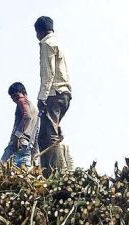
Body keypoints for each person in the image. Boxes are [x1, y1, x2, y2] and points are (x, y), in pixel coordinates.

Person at [34, 16, 72, 175]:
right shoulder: (59, 43)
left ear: (39, 31)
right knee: (44, 135)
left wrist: (42, 97)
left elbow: (48, 73)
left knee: (49, 136)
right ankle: (48, 169)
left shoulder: (46, 44)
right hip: (65, 94)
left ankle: (54, 172)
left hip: (54, 93)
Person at [0, 82, 39, 167]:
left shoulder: (21, 101)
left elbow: (27, 117)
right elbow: (37, 132)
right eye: (12, 97)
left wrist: (16, 136)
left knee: (2, 169)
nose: (15, 100)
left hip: (19, 143)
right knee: (23, 172)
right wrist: (35, 153)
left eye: (16, 96)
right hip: (28, 146)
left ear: (24, 93)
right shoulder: (34, 110)